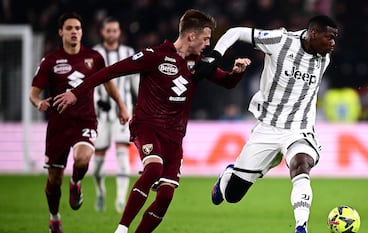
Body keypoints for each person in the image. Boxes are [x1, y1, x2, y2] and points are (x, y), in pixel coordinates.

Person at [53, 9, 251, 233]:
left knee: (165, 196)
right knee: (153, 169)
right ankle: (122, 228)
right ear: (191, 36)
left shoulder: (200, 63)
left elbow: (227, 83)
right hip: (147, 127)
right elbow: (109, 72)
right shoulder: (154, 56)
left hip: (174, 137)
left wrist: (237, 72)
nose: (209, 44)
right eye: (206, 38)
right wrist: (75, 93)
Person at [205, 15, 339, 233]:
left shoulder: (323, 56)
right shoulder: (280, 41)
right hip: (267, 128)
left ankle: (301, 226)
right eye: (329, 37)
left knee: (301, 164)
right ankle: (228, 177)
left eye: (335, 38)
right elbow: (236, 32)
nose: (333, 44)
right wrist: (215, 56)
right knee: (232, 195)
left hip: (299, 129)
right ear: (313, 33)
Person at [29, 12, 130, 233]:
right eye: (70, 28)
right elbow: (33, 93)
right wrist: (38, 103)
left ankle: (76, 182)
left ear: (82, 32)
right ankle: (54, 217)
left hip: (85, 120)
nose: (74, 32)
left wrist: (121, 105)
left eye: (78, 28)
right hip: (58, 126)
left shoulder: (93, 57)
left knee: (82, 160)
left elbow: (107, 83)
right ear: (61, 32)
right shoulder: (50, 61)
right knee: (54, 180)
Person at [92, 16, 139, 213]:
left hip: (123, 112)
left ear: (119, 32)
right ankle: (101, 191)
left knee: (122, 156)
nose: (111, 33)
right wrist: (94, 103)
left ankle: (120, 200)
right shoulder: (95, 54)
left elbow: (136, 84)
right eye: (108, 30)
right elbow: (90, 83)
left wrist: (139, 107)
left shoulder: (128, 53)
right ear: (103, 32)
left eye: (115, 30)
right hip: (100, 115)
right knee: (98, 160)